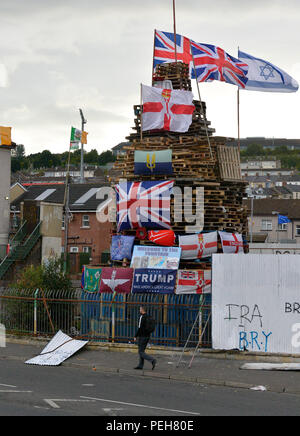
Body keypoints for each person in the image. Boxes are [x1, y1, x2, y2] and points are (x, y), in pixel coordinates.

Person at [134, 306, 157, 370]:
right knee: (142, 351)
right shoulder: (148, 316)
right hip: (147, 336)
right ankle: (140, 365)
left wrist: (135, 336)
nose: (139, 310)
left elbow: (140, 328)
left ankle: (152, 360)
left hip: (142, 336)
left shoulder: (142, 317)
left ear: (142, 310)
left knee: (140, 352)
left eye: (140, 309)